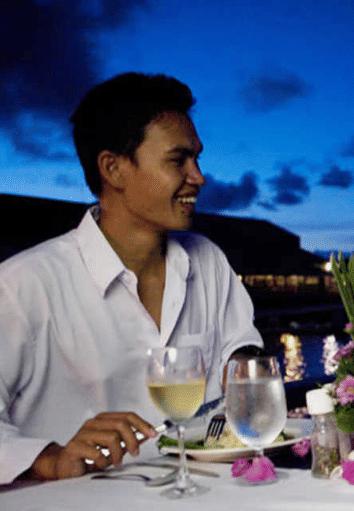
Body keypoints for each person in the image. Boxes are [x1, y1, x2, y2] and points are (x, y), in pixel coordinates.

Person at [0, 73, 264, 483]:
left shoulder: (208, 262)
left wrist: (243, 372)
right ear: (114, 168)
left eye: (197, 158)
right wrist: (51, 459)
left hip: (202, 508)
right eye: (178, 160)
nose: (199, 176)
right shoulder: (22, 286)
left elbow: (242, 358)